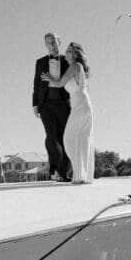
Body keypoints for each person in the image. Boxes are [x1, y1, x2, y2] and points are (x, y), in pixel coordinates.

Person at [41, 42, 93, 184]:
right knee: (81, 139)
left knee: (69, 139)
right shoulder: (77, 67)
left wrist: (49, 78)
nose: (67, 53)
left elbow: (59, 83)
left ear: (76, 54)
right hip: (80, 104)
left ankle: (80, 174)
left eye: (70, 51)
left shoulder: (75, 66)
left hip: (81, 105)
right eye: (67, 51)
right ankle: (81, 176)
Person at [33, 32, 72, 181]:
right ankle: (54, 171)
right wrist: (35, 104)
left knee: (64, 137)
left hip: (63, 104)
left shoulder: (67, 60)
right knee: (51, 137)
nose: (52, 45)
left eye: (54, 42)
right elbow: (36, 83)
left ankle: (65, 172)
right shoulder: (40, 62)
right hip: (46, 105)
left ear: (59, 42)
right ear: (45, 45)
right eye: (49, 42)